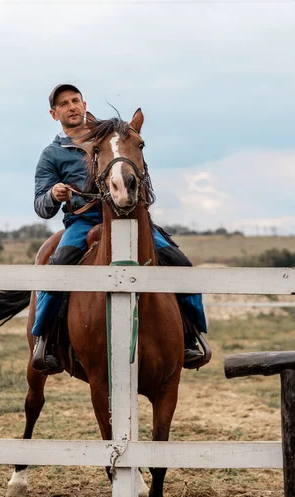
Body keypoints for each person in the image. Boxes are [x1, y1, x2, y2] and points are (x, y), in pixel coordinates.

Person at [32, 83, 208, 372]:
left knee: (180, 263)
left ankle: (191, 335)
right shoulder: (52, 155)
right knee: (58, 268)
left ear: (85, 104)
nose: (71, 106)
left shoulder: (110, 137)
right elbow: (41, 205)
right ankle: (46, 340)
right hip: (83, 221)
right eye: (63, 104)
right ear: (54, 114)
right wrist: (53, 195)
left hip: (130, 218)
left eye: (75, 100)